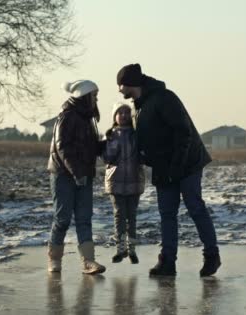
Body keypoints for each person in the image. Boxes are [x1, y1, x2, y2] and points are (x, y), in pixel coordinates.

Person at [116, 63, 221, 277]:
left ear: (129, 84)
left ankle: (212, 256)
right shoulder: (140, 104)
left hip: (187, 164)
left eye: (120, 85)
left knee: (195, 208)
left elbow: (184, 132)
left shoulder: (164, 98)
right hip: (164, 168)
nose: (119, 89)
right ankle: (167, 262)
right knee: (167, 214)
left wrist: (176, 166)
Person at [47, 79, 106, 275]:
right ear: (84, 95)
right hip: (63, 175)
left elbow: (90, 147)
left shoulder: (88, 118)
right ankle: (54, 259)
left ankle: (88, 261)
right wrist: (76, 172)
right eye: (94, 96)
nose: (97, 99)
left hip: (84, 174)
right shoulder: (67, 117)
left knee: (84, 218)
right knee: (62, 218)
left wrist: (107, 143)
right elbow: (61, 147)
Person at [102, 103, 145, 264]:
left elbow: (143, 155)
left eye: (127, 112)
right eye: (120, 112)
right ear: (114, 116)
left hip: (134, 180)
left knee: (132, 215)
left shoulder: (137, 134)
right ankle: (120, 249)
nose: (124, 115)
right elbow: (106, 158)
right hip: (116, 180)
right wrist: (110, 145)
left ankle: (132, 249)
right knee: (119, 214)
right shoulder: (110, 135)